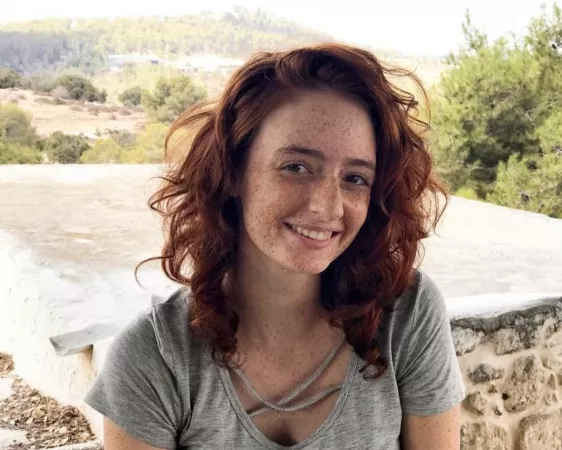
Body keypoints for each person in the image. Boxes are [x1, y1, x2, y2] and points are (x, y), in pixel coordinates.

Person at [85, 43, 466, 449]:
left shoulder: (404, 316)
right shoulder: (155, 358)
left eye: (355, 178)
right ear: (233, 171)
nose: (327, 207)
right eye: (296, 167)